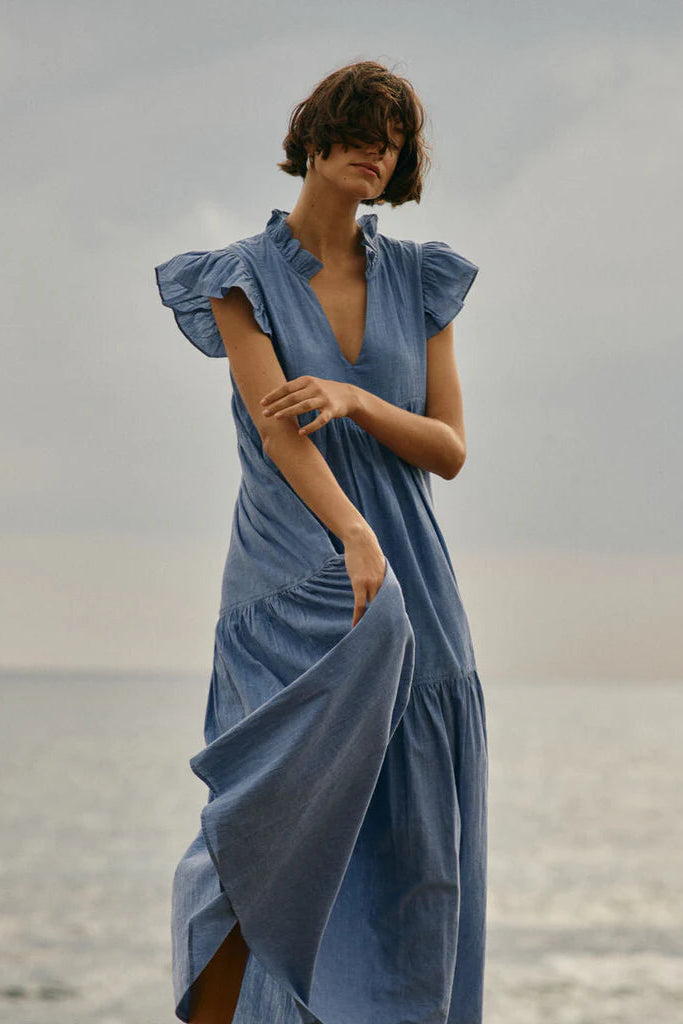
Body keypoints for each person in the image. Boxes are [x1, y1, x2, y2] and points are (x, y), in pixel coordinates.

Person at [155, 59, 488, 1024]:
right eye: (356, 128)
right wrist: (352, 536)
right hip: (291, 585)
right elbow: (277, 429)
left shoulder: (421, 280)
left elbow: (449, 448)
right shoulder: (238, 278)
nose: (373, 151)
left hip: (413, 588)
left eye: (392, 139)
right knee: (257, 836)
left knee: (415, 859)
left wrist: (358, 399)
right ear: (312, 136)